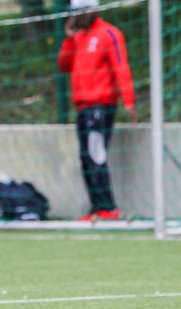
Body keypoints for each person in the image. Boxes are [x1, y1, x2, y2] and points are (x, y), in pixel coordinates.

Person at [58, 0, 138, 221]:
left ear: (92, 10)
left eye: (80, 13)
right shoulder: (78, 37)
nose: (76, 18)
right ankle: (96, 208)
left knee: (95, 156)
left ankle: (108, 208)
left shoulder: (110, 33)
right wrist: (68, 39)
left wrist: (128, 101)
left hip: (101, 107)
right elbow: (63, 66)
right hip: (82, 108)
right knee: (85, 158)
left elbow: (120, 66)